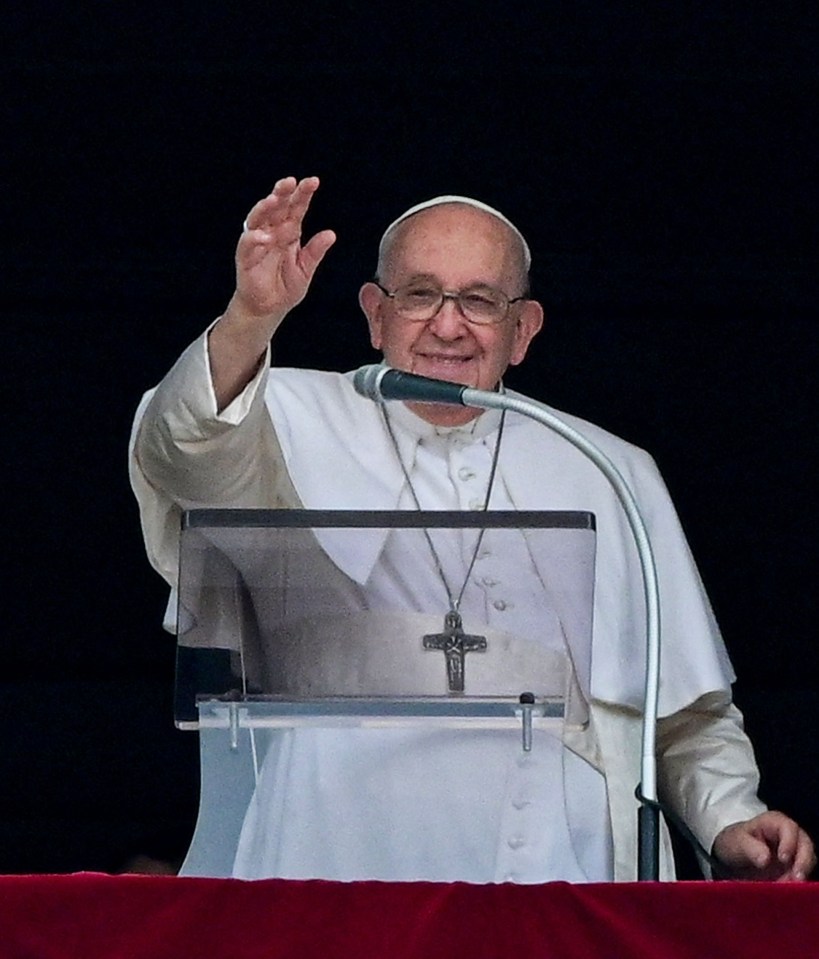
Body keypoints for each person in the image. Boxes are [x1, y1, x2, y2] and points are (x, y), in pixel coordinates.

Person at [130, 175, 815, 883]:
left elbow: (678, 713)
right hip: (335, 851)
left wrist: (730, 815)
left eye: (480, 301)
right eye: (419, 294)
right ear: (374, 313)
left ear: (523, 330)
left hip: (560, 868)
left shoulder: (605, 465)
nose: (448, 325)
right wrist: (251, 315)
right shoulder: (288, 416)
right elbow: (183, 446)